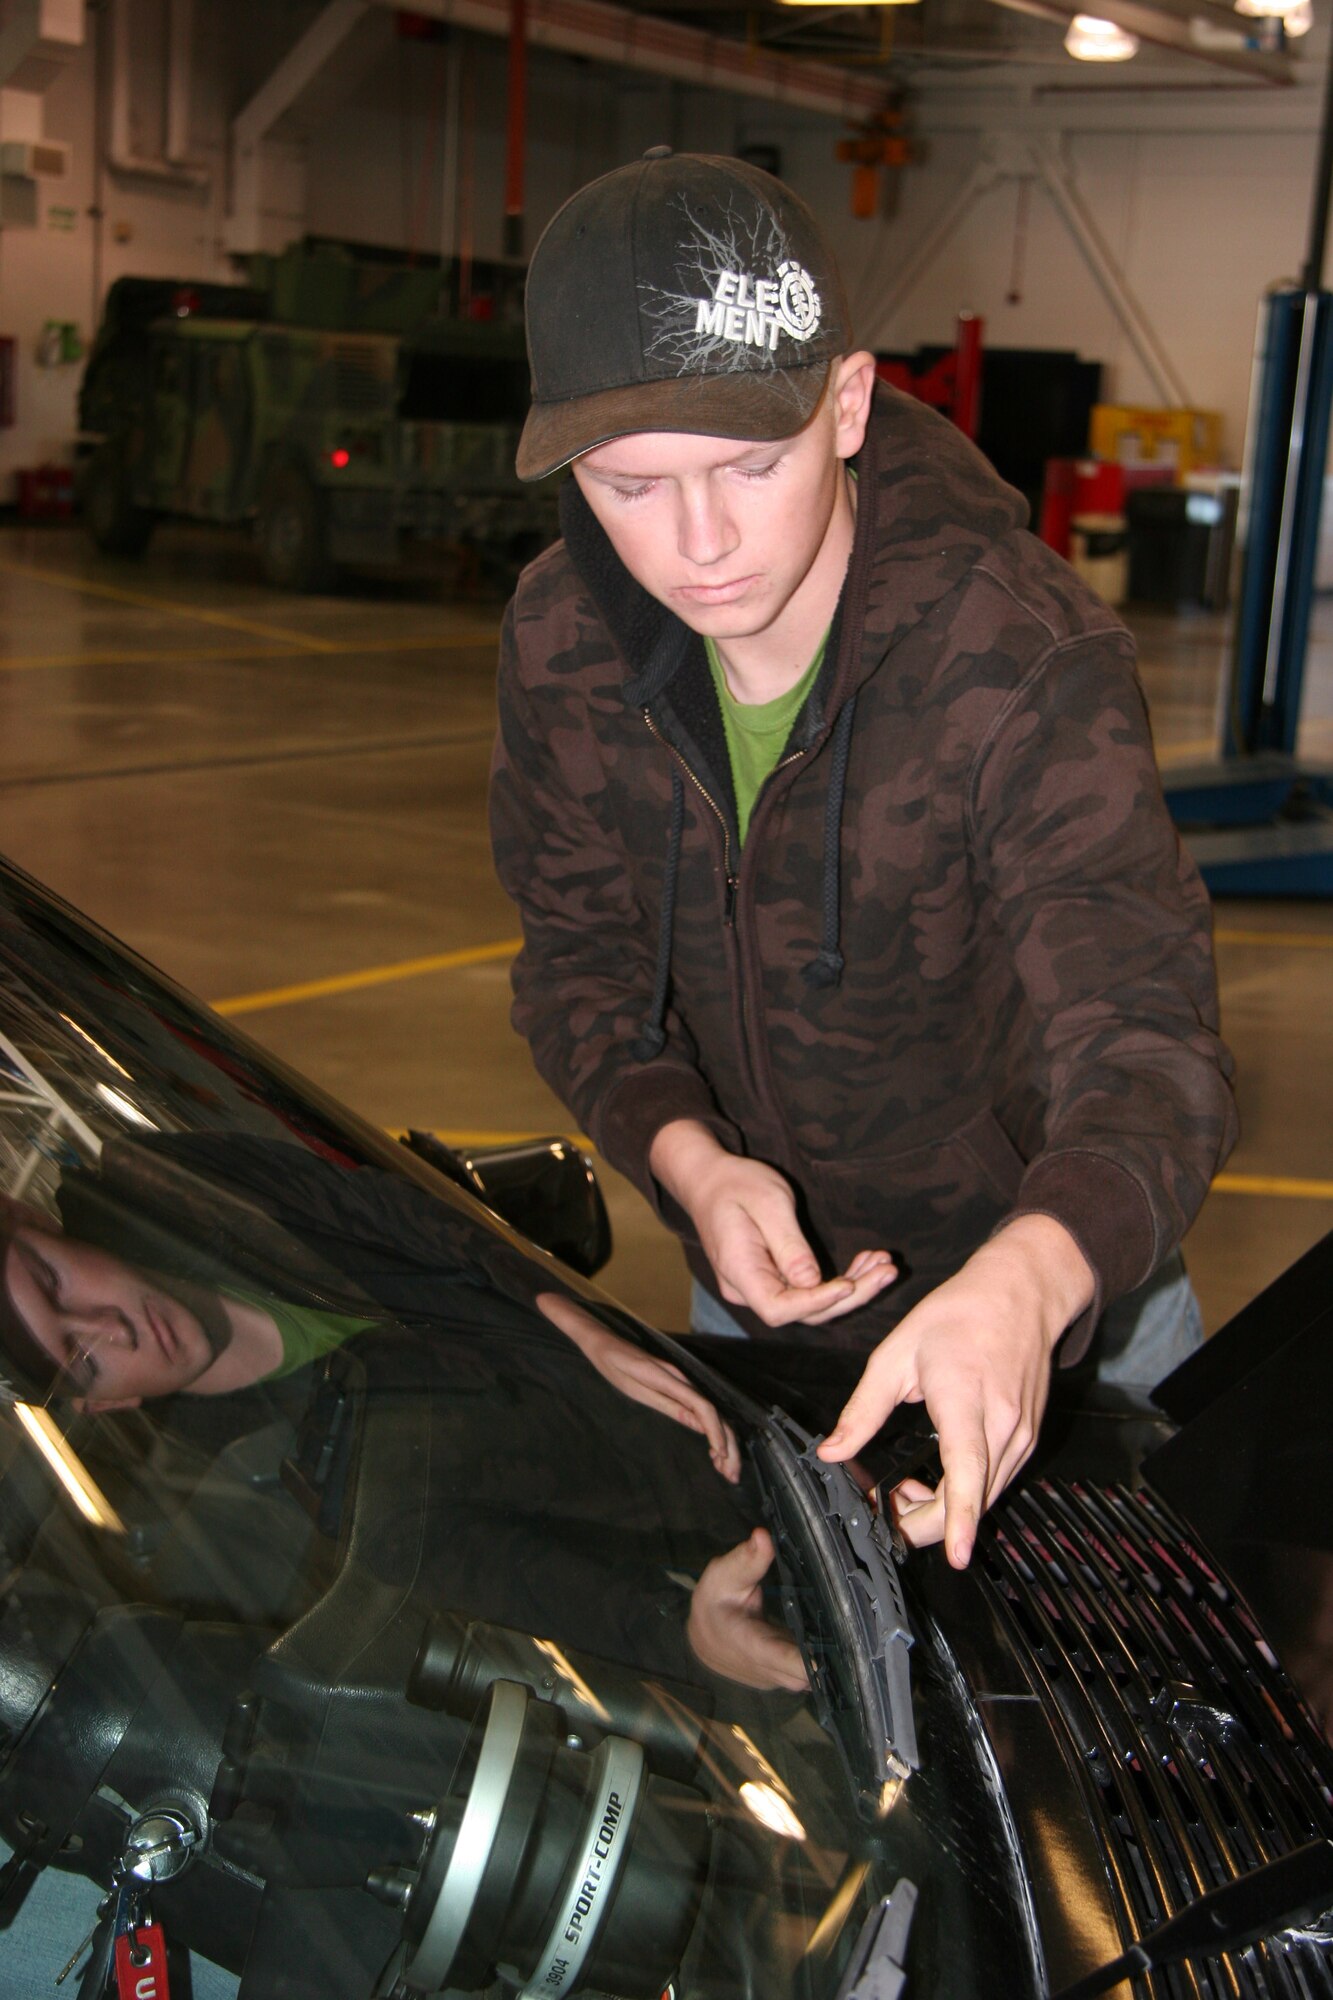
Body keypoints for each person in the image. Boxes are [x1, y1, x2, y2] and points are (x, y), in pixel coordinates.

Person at [489, 148, 1238, 1573]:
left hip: (1063, 1311)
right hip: (767, 1308)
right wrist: (688, 1159)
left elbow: (1146, 1043)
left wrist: (1034, 1276)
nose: (696, 544)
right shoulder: (560, 639)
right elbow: (576, 960)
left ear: (846, 403)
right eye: (628, 486)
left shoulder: (1016, 654)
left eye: (748, 467)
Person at [0, 1177, 800, 1690]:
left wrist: (571, 1323)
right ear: (105, 1408)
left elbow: (425, 1214)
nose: (112, 1329)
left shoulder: (200, 1189)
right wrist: (698, 1638)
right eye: (83, 1360)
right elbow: (577, 1604)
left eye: (55, 1280)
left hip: (771, 1387)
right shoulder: (316, 1498)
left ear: (43, 1218)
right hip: (776, 1529)